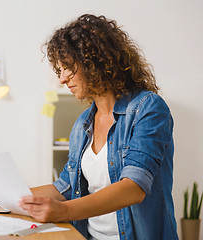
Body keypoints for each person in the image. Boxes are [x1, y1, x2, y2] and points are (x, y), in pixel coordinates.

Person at [17, 14, 178, 239]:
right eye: (59, 70)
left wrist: (63, 211)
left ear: (95, 62)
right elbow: (64, 186)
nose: (62, 79)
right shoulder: (83, 124)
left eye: (69, 68)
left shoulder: (148, 108)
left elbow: (134, 187)